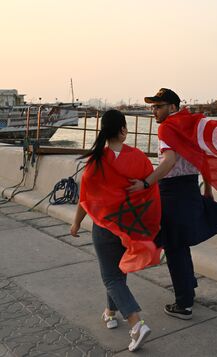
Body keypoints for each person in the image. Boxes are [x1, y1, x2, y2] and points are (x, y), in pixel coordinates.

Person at [127, 88, 217, 320]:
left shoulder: (167, 128)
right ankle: (189, 290)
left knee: (174, 246)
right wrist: (207, 190)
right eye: (153, 107)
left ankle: (183, 304)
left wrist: (146, 183)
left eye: (158, 106)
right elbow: (206, 158)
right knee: (182, 244)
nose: (154, 111)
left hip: (172, 193)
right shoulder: (191, 126)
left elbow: (168, 161)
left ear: (172, 107)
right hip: (190, 188)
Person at [71, 109, 159, 352]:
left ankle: (136, 323)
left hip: (105, 226)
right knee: (118, 274)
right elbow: (151, 192)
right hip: (130, 227)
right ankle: (110, 312)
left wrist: (77, 222)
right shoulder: (139, 158)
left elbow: (85, 198)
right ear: (123, 130)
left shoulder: (96, 160)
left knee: (110, 277)